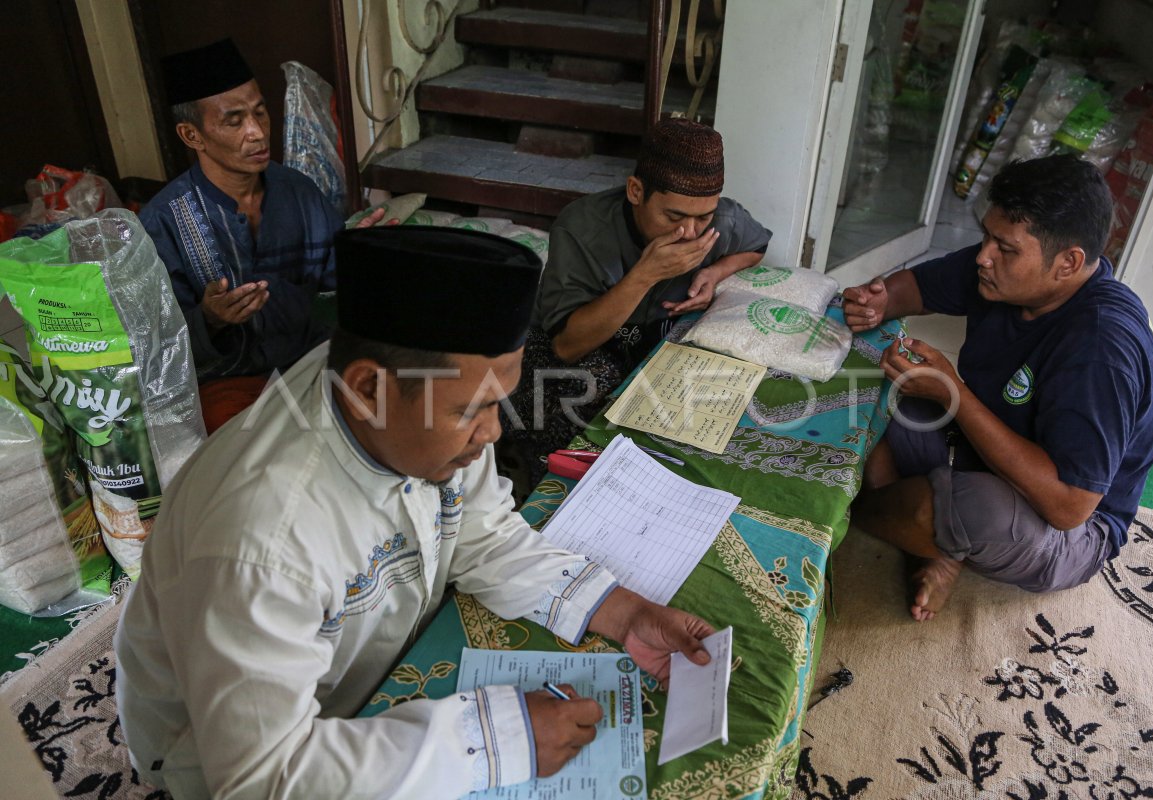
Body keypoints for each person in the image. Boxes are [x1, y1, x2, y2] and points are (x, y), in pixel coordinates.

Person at [114, 226, 716, 799]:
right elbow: (261, 779)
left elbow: (482, 534)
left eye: (499, 403)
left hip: (358, 675)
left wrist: (624, 611)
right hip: (225, 755)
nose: (491, 433)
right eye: (473, 410)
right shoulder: (262, 542)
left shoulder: (422, 405)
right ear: (368, 389)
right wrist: (498, 740)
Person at [841, 154, 1153, 622]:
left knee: (969, 511)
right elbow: (916, 287)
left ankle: (884, 521)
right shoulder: (1001, 275)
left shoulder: (1102, 348)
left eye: (1005, 248)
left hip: (1070, 525)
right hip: (984, 447)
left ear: (1068, 263)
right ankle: (928, 542)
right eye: (986, 237)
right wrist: (877, 302)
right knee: (876, 385)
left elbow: (1068, 506)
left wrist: (953, 394)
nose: (983, 256)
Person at [502, 118, 772, 495]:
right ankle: (536, 481)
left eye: (703, 217)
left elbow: (755, 247)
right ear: (635, 191)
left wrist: (715, 271)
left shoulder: (720, 221)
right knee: (578, 396)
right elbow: (567, 344)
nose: (690, 233)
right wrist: (644, 275)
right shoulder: (582, 228)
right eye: (673, 217)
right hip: (564, 349)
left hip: (646, 343)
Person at [139, 38, 388, 433]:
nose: (256, 132)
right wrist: (209, 319)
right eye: (234, 121)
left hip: (312, 362)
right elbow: (154, 347)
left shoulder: (300, 193)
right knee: (244, 444)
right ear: (192, 136)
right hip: (229, 380)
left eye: (260, 112)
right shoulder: (162, 220)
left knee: (391, 414)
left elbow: (338, 290)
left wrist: (362, 254)